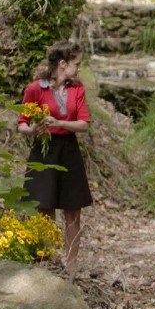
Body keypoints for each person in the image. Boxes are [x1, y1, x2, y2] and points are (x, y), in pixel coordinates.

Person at [17, 41, 92, 275]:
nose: (78, 69)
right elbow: (22, 125)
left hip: (69, 151)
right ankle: (46, 265)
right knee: (44, 208)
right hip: (43, 150)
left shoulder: (76, 89)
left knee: (73, 210)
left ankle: (71, 269)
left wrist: (59, 123)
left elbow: (83, 124)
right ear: (63, 64)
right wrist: (33, 130)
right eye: (76, 64)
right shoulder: (35, 89)